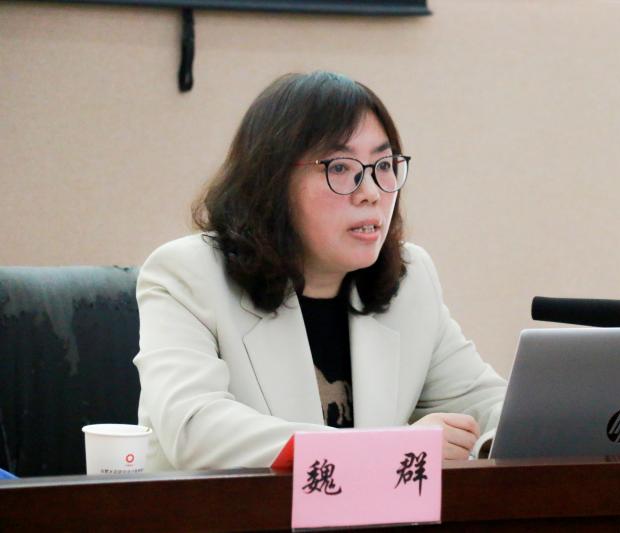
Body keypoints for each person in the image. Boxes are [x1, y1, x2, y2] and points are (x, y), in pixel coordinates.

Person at [134, 71, 507, 471]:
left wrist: (514, 432)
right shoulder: (188, 275)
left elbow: (487, 403)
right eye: (341, 168)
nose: (371, 192)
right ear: (273, 181)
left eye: (384, 164)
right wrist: (390, 449)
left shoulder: (410, 280)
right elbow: (196, 431)